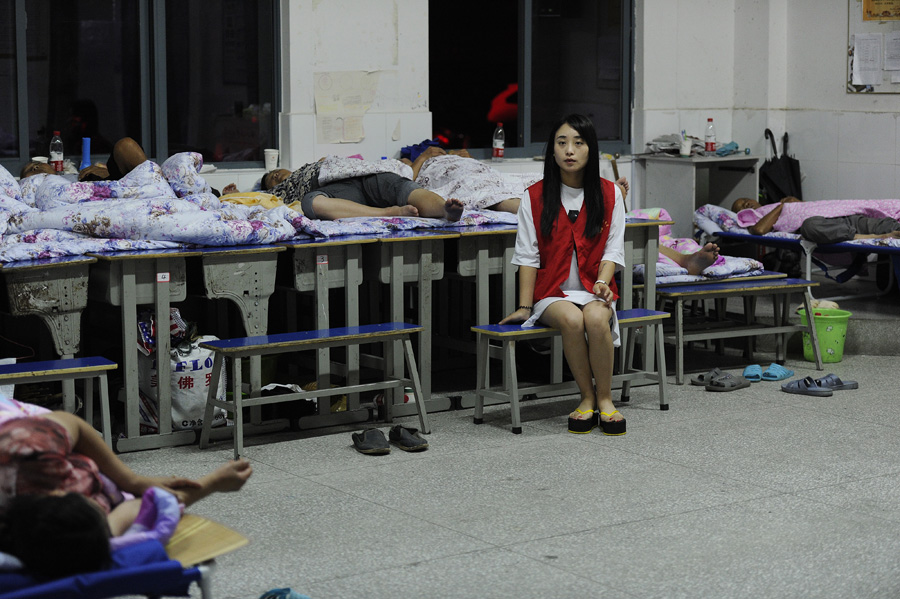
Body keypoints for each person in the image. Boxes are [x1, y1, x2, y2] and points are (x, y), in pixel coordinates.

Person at [0, 401, 252, 579]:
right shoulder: (75, 536)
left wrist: (130, 480)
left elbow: (71, 422)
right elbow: (147, 506)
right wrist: (213, 483)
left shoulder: (29, 449)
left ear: (58, 492)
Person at [499, 114, 626, 436]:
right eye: (562, 143)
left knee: (596, 319)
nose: (570, 150)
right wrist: (526, 307)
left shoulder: (611, 194)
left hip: (595, 289)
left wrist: (602, 281)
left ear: (590, 149)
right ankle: (585, 398)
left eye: (578, 143)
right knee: (571, 319)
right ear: (552, 151)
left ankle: (606, 399)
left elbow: (613, 250)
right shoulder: (534, 196)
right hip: (552, 293)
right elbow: (526, 255)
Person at [256, 161, 464, 222]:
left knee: (404, 188)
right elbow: (249, 199)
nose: (275, 176)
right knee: (311, 202)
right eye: (271, 179)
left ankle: (445, 210)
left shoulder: (312, 165)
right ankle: (387, 213)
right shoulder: (280, 193)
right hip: (340, 193)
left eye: (276, 172)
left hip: (366, 175)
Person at [732, 196, 900, 242]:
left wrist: (795, 202)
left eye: (746, 199)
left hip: (847, 217)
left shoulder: (776, 204)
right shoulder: (761, 217)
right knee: (809, 226)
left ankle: (883, 233)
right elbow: (759, 230)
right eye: (741, 206)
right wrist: (782, 205)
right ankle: (871, 238)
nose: (745, 203)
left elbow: (812, 208)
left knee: (887, 225)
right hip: (827, 227)